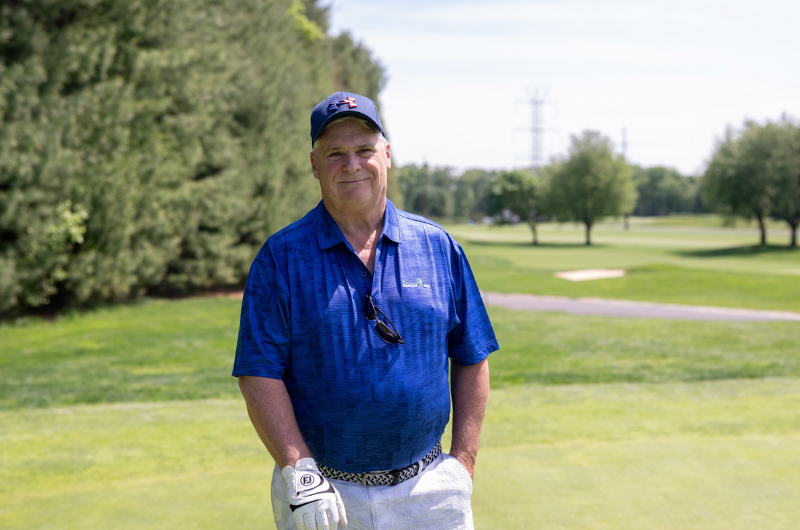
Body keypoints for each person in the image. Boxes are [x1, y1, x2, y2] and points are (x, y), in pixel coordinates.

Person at [233, 91, 499, 530]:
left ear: (387, 156)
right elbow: (259, 373)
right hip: (322, 494)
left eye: (364, 150)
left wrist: (464, 462)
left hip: (430, 492)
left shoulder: (437, 247)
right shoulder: (281, 257)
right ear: (315, 165)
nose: (352, 165)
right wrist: (298, 469)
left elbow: (472, 355)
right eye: (335, 153)